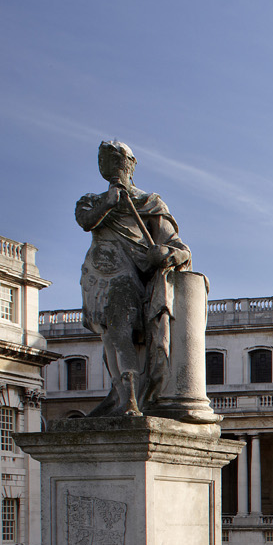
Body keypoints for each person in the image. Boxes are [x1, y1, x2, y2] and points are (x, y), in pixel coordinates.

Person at [75, 140, 197, 418]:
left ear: (130, 166)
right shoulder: (92, 201)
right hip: (95, 277)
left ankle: (131, 399)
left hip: (127, 277)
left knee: (120, 334)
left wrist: (165, 254)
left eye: (113, 160)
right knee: (109, 339)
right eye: (102, 160)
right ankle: (120, 396)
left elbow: (180, 249)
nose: (106, 165)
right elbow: (85, 221)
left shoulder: (148, 203)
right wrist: (109, 201)